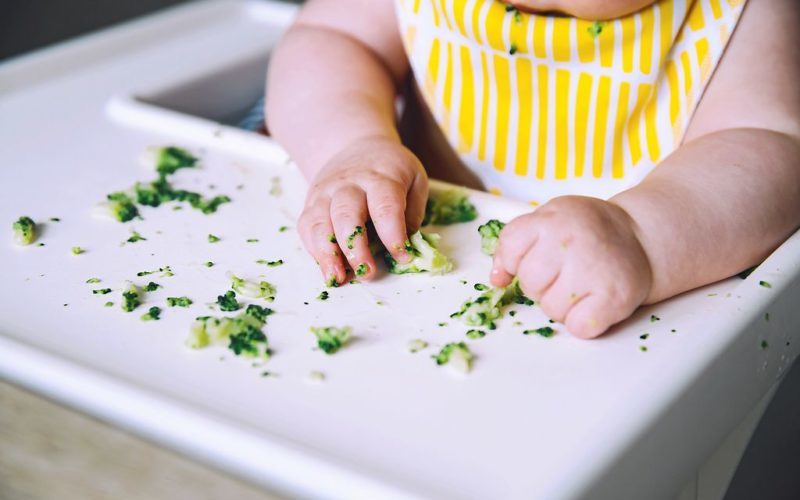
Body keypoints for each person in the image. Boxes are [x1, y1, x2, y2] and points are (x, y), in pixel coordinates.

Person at [265, 0, 800, 338]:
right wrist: (353, 144)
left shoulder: (739, 14)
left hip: (605, 324)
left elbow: (772, 152)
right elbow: (331, 40)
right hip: (422, 287)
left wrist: (643, 235)